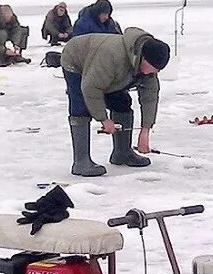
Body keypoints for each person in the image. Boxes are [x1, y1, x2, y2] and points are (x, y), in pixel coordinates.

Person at [60, 28, 170, 177]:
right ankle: (81, 162)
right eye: (153, 69)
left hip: (109, 72)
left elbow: (150, 97)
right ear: (142, 59)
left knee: (122, 102)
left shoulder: (148, 67)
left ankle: (122, 153)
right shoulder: (112, 56)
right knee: (81, 107)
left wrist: (145, 130)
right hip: (76, 59)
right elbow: (91, 88)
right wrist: (104, 119)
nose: (154, 73)